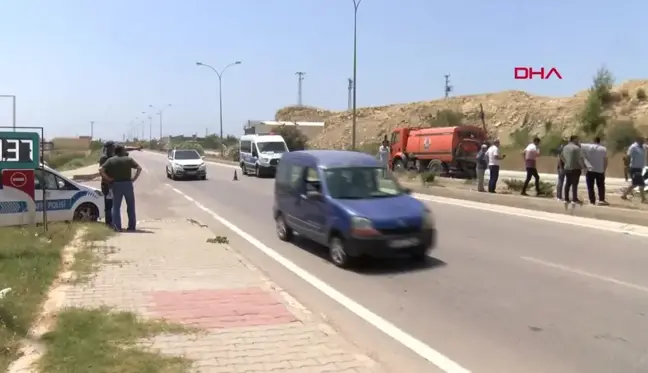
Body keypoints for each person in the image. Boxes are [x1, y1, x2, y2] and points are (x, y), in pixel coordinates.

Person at [99, 144, 143, 231]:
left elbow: (101, 170)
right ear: (122, 151)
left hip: (116, 184)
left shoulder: (111, 160)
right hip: (128, 184)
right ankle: (131, 227)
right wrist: (134, 178)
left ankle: (117, 227)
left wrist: (108, 178)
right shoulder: (128, 159)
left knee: (115, 207)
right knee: (130, 206)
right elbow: (139, 168)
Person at [581, 136, 608, 205]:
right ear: (600, 141)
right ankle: (601, 199)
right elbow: (605, 161)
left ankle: (592, 200)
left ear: (593, 141)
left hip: (590, 170)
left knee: (590, 186)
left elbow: (579, 145)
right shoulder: (603, 149)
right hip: (600, 170)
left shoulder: (588, 147)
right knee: (601, 186)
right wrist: (604, 170)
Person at [621, 137, 646, 203]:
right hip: (634, 168)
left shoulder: (643, 146)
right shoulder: (633, 147)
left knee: (635, 184)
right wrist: (627, 166)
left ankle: (624, 195)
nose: (644, 141)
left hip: (640, 168)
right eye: (642, 140)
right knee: (640, 184)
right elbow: (628, 156)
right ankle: (643, 199)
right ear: (638, 140)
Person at [560, 135, 583, 206]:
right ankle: (574, 199)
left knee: (567, 183)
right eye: (577, 139)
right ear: (574, 139)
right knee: (574, 184)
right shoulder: (576, 148)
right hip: (575, 168)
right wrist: (582, 166)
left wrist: (566, 162)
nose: (578, 141)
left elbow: (561, 156)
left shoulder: (565, 147)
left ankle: (566, 199)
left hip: (567, 167)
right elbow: (580, 159)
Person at [98, 141, 116, 226]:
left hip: (112, 184)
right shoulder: (104, 158)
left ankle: (112, 222)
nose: (113, 148)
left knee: (113, 204)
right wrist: (108, 180)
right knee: (108, 205)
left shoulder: (112, 156)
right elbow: (101, 171)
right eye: (112, 147)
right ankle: (109, 223)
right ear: (108, 148)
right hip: (107, 185)